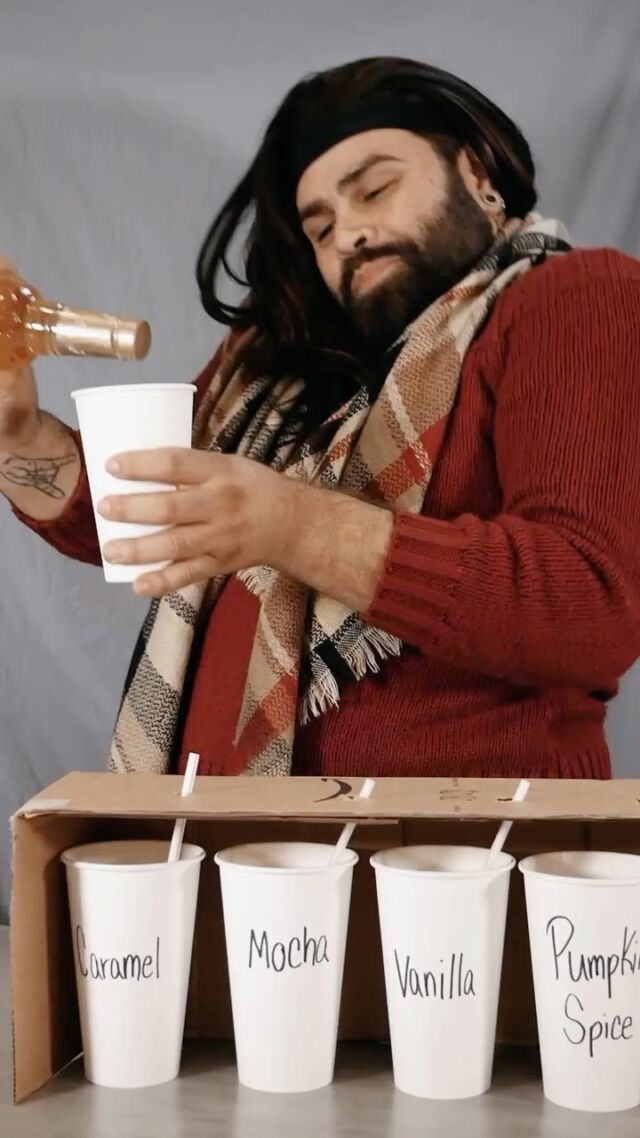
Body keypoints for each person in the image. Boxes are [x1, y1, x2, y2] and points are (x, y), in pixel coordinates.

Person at [2, 57, 640, 780]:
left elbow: (591, 604)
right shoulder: (272, 368)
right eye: (321, 226)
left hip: (467, 835)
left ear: (475, 171)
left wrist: (292, 524)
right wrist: (15, 435)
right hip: (227, 828)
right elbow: (155, 517)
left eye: (376, 189)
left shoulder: (574, 295)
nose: (349, 235)